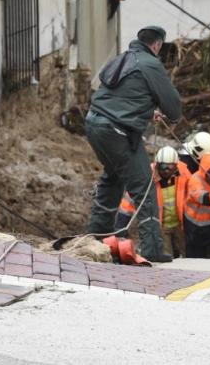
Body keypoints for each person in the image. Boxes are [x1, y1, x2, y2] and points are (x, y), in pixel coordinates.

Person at [85, 26, 182, 263]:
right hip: (118, 132)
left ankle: (97, 235)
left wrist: (147, 110)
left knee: (113, 177)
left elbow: (119, 97)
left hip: (93, 124)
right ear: (157, 45)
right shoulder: (151, 64)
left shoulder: (122, 59)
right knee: (145, 186)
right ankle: (152, 248)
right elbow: (174, 108)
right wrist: (161, 109)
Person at [114, 146, 189, 259]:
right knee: (167, 257)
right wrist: (121, 225)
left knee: (188, 255)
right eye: (163, 167)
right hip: (160, 227)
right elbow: (129, 200)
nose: (166, 171)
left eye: (170, 167)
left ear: (176, 166)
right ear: (157, 165)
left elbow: (193, 191)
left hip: (180, 224)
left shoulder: (183, 172)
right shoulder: (147, 176)